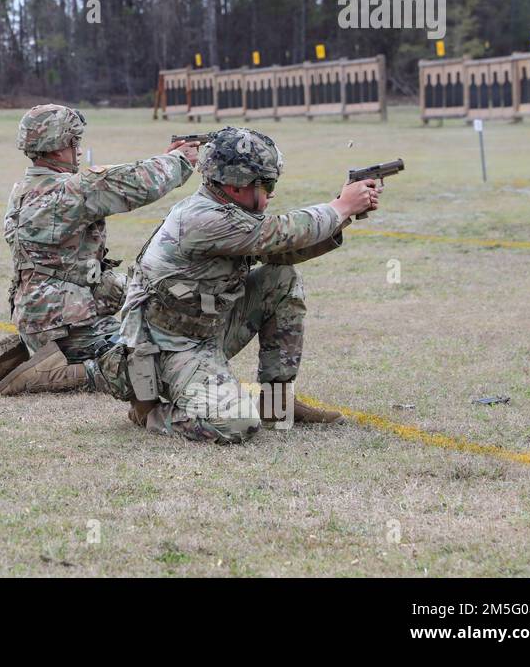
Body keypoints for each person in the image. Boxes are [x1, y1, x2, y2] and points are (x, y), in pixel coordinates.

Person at [93, 126, 379, 443]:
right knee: (235, 424)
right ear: (235, 186)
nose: (271, 193)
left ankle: (277, 405)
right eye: (266, 184)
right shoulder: (204, 220)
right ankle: (150, 413)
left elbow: (281, 250)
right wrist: (341, 207)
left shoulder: (229, 211)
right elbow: (281, 231)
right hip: (166, 350)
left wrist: (344, 212)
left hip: (206, 328)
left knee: (279, 280)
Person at [0, 104, 200, 395]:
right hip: (68, 327)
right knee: (157, 363)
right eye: (74, 142)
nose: (78, 149)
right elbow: (137, 183)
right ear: (58, 145)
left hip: (45, 317)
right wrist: (180, 160)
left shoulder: (26, 187)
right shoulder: (70, 190)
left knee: (145, 295)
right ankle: (64, 370)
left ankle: (35, 350)